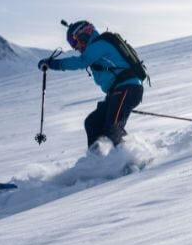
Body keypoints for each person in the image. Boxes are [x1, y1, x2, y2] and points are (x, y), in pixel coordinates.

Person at [39, 20, 145, 149]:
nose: (75, 47)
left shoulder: (99, 45)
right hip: (117, 92)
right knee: (92, 123)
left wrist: (53, 64)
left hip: (128, 88)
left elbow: (81, 62)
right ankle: (96, 162)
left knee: (113, 126)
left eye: (74, 42)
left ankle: (132, 159)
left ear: (84, 34)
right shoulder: (95, 48)